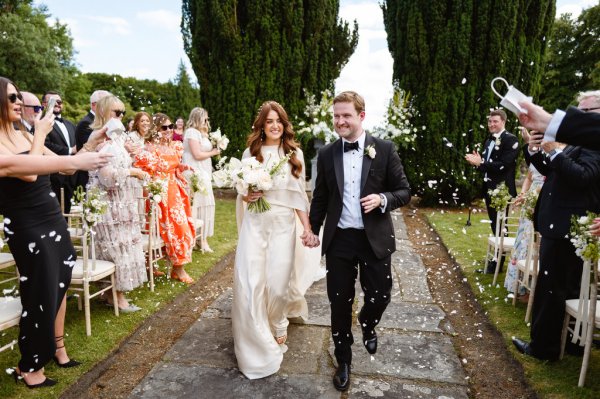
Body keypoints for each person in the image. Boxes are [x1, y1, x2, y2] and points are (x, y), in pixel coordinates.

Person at [0, 77, 110, 388]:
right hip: (27, 225)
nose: (19, 102)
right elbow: (31, 171)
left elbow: (65, 167)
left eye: (18, 97)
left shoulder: (23, 134)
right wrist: (41, 135)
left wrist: (91, 143)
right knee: (39, 292)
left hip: (51, 219)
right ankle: (30, 364)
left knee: (58, 284)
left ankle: (57, 347)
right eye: (12, 98)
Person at [305, 91, 411, 391]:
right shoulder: (327, 154)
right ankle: (344, 360)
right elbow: (321, 197)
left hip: (373, 239)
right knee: (339, 303)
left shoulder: (385, 150)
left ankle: (367, 321)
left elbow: (404, 191)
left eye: (346, 115)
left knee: (380, 296)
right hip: (340, 240)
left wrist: (382, 198)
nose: (340, 121)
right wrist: (313, 228)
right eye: (336, 116)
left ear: (361, 116)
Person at [232, 100, 319, 379]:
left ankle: (278, 321)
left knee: (278, 283)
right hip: (255, 224)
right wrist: (247, 195)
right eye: (269, 121)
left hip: (283, 225)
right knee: (250, 281)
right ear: (261, 125)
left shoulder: (295, 154)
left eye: (278, 120)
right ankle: (255, 338)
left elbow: (298, 197)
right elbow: (242, 190)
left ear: (284, 124)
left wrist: (307, 228)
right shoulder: (251, 153)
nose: (274, 125)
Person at [512, 95, 600, 361]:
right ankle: (571, 342)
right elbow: (552, 170)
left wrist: (555, 150)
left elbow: (583, 176)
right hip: (558, 225)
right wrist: (536, 150)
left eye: (584, 111)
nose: (578, 115)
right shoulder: (578, 144)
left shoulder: (594, 146)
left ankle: (544, 348)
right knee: (563, 288)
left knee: (552, 290)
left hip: (566, 227)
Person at [86, 95, 148, 311]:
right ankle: (117, 297)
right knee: (115, 249)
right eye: (116, 112)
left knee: (122, 247)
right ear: (103, 113)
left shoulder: (118, 139)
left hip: (122, 203)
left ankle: (110, 294)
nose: (121, 116)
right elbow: (106, 177)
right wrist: (132, 172)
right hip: (109, 204)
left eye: (123, 112)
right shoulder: (99, 140)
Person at [134, 113, 195, 283]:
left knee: (183, 228)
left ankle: (177, 268)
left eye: (171, 126)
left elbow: (173, 166)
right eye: (164, 127)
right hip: (159, 193)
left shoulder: (174, 146)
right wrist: (153, 190)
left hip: (174, 191)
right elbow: (144, 173)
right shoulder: (149, 149)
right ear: (155, 129)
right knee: (157, 229)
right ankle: (153, 266)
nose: (168, 130)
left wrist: (181, 167)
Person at [465, 109, 518, 273]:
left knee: (501, 227)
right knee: (495, 226)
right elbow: (488, 166)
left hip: (502, 191)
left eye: (495, 121)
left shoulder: (511, 140)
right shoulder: (489, 140)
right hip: (489, 189)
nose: (491, 124)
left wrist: (480, 163)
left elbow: (503, 165)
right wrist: (478, 162)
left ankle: (497, 264)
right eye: (490, 121)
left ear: (503, 122)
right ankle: (496, 260)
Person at [503, 129, 545, 299]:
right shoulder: (536, 155)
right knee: (523, 239)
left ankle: (530, 286)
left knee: (534, 241)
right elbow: (529, 177)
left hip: (541, 199)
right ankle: (517, 283)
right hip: (530, 200)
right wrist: (523, 194)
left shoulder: (550, 157)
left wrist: (530, 196)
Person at [181, 108, 219, 251]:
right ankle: (197, 239)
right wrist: (213, 152)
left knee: (205, 204)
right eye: (205, 119)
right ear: (197, 118)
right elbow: (196, 154)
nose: (207, 121)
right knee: (197, 205)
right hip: (194, 172)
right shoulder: (192, 132)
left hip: (204, 172)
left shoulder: (202, 134)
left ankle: (202, 238)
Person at [42, 91, 78, 213]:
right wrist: (69, 150)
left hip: (71, 175)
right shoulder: (41, 123)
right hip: (52, 175)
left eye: (60, 102)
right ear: (44, 104)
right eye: (53, 101)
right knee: (53, 212)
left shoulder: (70, 124)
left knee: (67, 210)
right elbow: (44, 145)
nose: (57, 104)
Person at [75, 90, 111, 190]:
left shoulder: (105, 122)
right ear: (94, 105)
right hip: (87, 175)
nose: (109, 107)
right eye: (106, 103)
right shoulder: (86, 123)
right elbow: (92, 149)